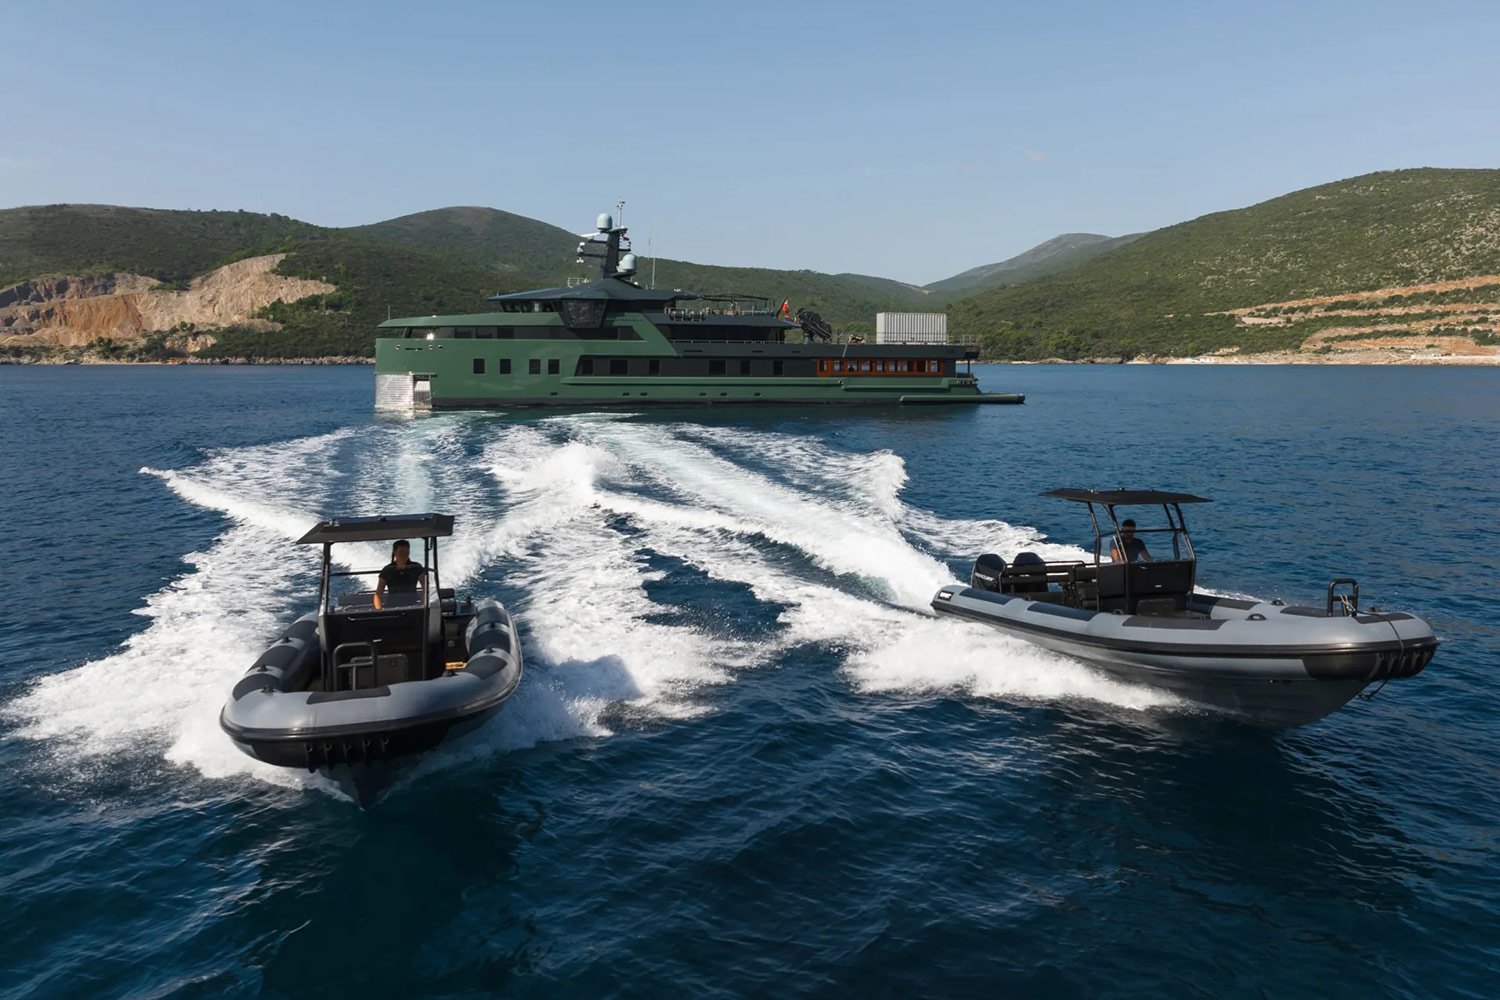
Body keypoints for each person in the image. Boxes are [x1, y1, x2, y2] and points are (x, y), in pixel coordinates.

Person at [374, 539, 426, 608]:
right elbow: (378, 594)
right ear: (395, 552)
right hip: (392, 607)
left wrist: (423, 606)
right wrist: (379, 611)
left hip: (412, 607)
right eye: (401, 552)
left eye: (407, 552)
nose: (404, 555)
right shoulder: (387, 570)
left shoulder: (416, 567)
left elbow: (425, 589)